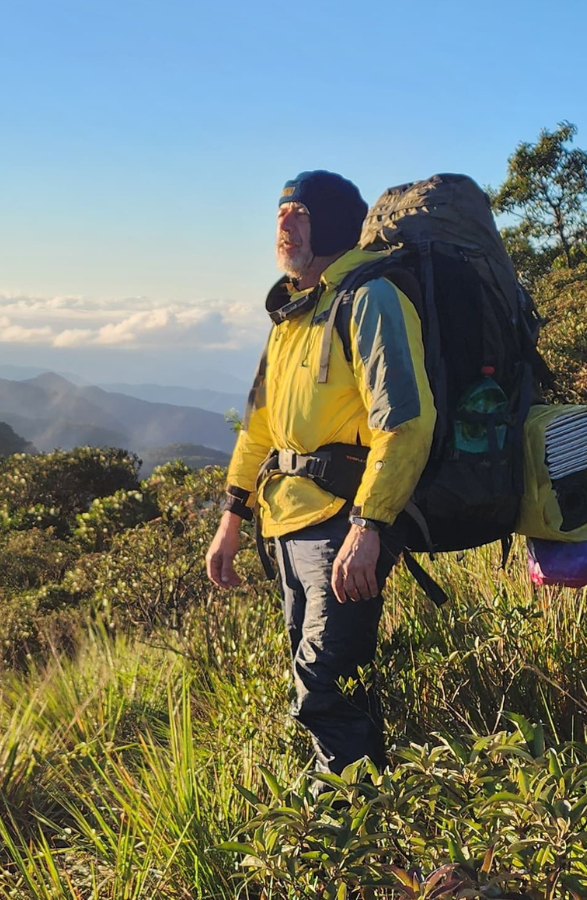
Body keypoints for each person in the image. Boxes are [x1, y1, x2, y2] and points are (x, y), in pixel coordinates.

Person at [206, 170, 436, 774]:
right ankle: (361, 817)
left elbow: (406, 421)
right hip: (284, 527)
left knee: (325, 685)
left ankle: (348, 836)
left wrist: (370, 525)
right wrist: (232, 516)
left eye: (300, 212)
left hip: (342, 523)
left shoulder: (371, 299)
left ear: (332, 222)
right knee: (321, 680)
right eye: (280, 212)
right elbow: (260, 426)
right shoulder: (292, 314)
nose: (284, 224)